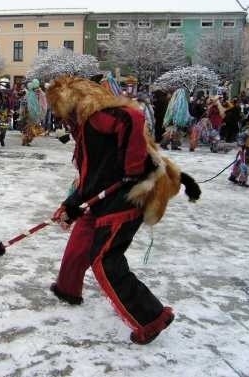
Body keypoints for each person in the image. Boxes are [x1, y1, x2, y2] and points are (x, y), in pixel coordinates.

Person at [46, 75, 200, 344]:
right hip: (103, 198)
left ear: (69, 104)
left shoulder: (97, 117)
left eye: (61, 113)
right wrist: (70, 205)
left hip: (125, 199)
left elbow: (133, 117)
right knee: (81, 239)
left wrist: (131, 170)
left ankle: (152, 318)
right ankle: (67, 288)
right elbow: (91, 175)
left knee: (105, 260)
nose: (62, 121)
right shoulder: (84, 128)